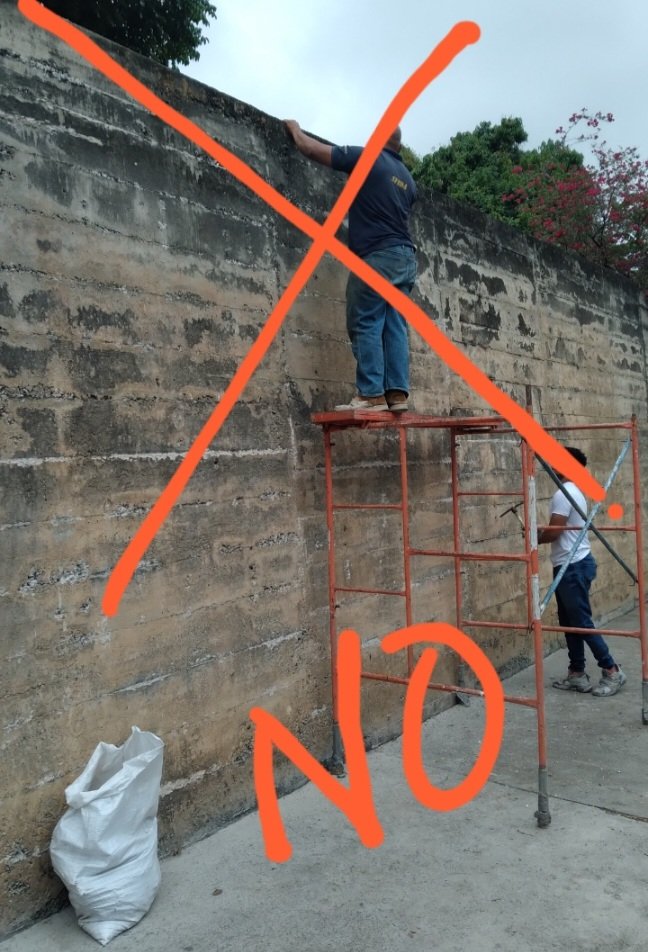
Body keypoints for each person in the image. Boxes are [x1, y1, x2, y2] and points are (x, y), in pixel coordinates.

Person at [284, 120, 417, 412]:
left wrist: (294, 129)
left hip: (376, 256)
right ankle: (396, 394)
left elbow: (312, 149)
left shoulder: (368, 158)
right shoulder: (407, 179)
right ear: (400, 146)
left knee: (366, 319)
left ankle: (370, 394)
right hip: (405, 257)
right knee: (394, 323)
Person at [537, 446, 626, 697]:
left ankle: (612, 670)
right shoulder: (573, 491)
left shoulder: (563, 494)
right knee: (570, 622)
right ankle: (577, 673)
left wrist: (536, 537)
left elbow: (555, 532)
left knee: (581, 622)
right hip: (571, 564)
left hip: (572, 566)